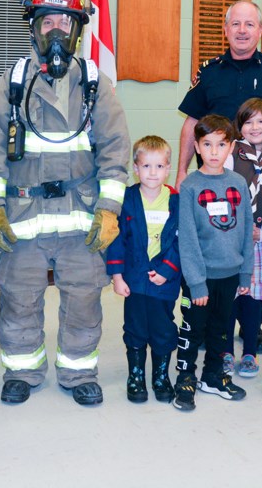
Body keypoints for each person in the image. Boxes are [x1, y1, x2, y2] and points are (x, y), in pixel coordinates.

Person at [0, 0, 130, 406]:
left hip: (81, 221)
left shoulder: (97, 86)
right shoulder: (11, 84)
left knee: (83, 302)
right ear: (34, 26)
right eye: (48, 22)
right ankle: (22, 374)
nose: (57, 31)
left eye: (66, 22)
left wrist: (109, 209)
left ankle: (78, 372)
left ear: (79, 29)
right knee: (18, 301)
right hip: (22, 219)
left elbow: (116, 151)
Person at [176, 0, 262, 190]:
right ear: (226, 29)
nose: (242, 30)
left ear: (260, 30)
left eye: (249, 24)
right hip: (215, 176)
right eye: (236, 24)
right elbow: (191, 124)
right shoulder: (208, 72)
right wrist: (181, 172)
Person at [173, 114, 254, 412]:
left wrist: (245, 274)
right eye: (207, 144)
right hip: (200, 277)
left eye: (221, 144)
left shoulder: (238, 184)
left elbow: (246, 231)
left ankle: (212, 377)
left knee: (221, 329)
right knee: (193, 330)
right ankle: (186, 379)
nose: (215, 151)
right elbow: (188, 239)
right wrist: (195, 282)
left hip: (230, 274)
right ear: (196, 146)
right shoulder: (190, 187)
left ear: (231, 146)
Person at [107, 136, 181, 404]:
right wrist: (117, 276)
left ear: (168, 168)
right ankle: (136, 375)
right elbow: (116, 240)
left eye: (159, 166)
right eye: (146, 166)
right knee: (136, 327)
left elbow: (181, 240)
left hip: (164, 280)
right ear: (135, 168)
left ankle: (160, 376)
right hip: (135, 280)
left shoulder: (176, 200)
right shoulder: (127, 199)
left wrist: (167, 270)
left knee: (162, 328)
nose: (153, 173)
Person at [223, 98, 262, 378]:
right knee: (228, 295)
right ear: (240, 126)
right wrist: (242, 227)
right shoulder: (231, 152)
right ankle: (225, 350)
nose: (255, 127)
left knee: (254, 297)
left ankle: (249, 350)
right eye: (248, 121)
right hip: (231, 238)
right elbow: (221, 193)